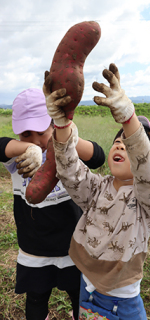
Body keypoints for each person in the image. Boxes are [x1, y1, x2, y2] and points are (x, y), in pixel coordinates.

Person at [45, 63, 150, 320]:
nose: (121, 143)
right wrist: (61, 123)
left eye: (129, 143)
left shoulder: (147, 197)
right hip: (86, 285)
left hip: (119, 301)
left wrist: (129, 117)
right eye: (118, 141)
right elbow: (69, 171)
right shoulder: (99, 186)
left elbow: (145, 168)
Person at [0, 88, 105, 320]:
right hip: (34, 249)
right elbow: (0, 144)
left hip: (73, 246)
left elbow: (98, 157)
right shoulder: (17, 159)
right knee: (36, 298)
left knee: (78, 294)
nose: (36, 139)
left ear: (53, 125)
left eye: (42, 131)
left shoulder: (68, 151)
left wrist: (67, 141)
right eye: (26, 134)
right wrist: (29, 149)